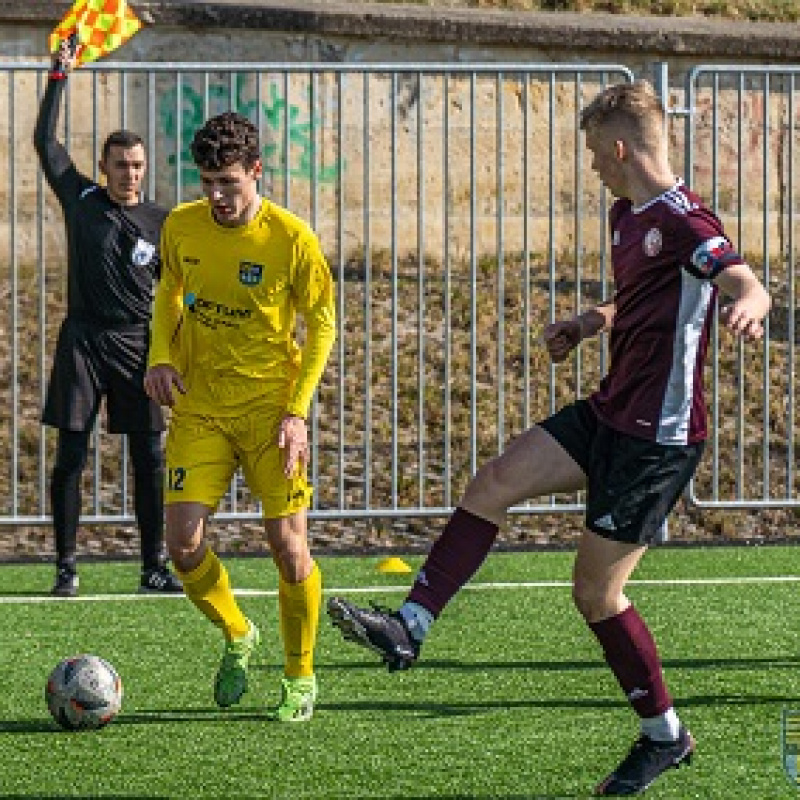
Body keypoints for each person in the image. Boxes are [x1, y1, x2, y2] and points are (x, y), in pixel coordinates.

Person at [327, 79, 771, 795]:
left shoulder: (689, 220)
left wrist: (749, 303)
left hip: (655, 441)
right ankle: (410, 626)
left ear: (620, 147)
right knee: (494, 482)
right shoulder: (628, 216)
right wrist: (591, 322)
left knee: (596, 595)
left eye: (596, 152)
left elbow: (742, 279)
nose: (592, 165)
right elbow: (643, 296)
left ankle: (665, 736)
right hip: (609, 412)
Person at [144, 111, 336, 722]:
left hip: (268, 414)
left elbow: (323, 324)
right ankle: (237, 632)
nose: (217, 196)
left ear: (256, 171)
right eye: (207, 183)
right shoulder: (182, 226)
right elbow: (169, 291)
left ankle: (300, 675)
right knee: (182, 545)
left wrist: (297, 412)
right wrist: (161, 356)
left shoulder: (291, 239)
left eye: (228, 182)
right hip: (200, 409)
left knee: (288, 548)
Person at [34, 39, 182, 598]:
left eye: (138, 166)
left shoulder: (164, 221)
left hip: (140, 343)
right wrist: (58, 76)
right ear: (104, 167)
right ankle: (66, 566)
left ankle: (152, 565)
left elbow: (181, 287)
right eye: (121, 165)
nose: (130, 174)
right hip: (83, 341)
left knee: (149, 455)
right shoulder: (81, 199)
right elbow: (45, 143)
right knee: (71, 452)